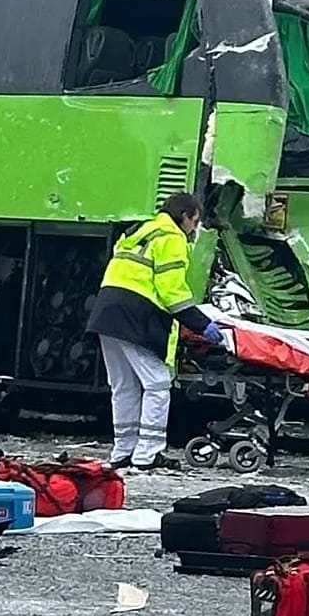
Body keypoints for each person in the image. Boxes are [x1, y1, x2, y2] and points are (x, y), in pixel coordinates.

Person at [85, 192, 222, 471]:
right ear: (184, 216)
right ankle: (148, 454)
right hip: (135, 315)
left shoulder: (141, 230)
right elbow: (172, 291)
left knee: (123, 386)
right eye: (194, 221)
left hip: (106, 311)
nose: (195, 228)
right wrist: (200, 323)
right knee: (157, 383)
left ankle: (123, 451)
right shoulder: (172, 238)